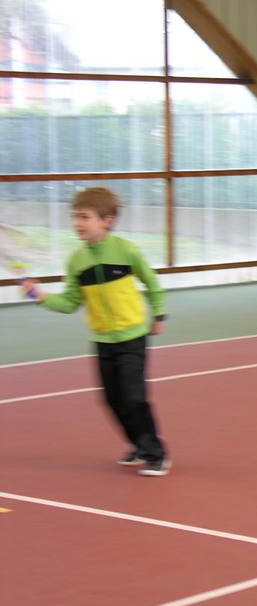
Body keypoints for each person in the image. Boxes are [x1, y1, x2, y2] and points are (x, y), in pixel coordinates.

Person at [22, 187, 171, 477]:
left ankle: (156, 454)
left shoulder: (126, 250)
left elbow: (152, 283)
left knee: (134, 398)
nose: (77, 223)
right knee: (112, 400)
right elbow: (70, 302)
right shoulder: (76, 261)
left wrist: (159, 314)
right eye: (74, 217)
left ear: (107, 220)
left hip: (132, 337)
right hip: (102, 340)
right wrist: (41, 296)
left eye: (84, 217)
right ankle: (138, 443)